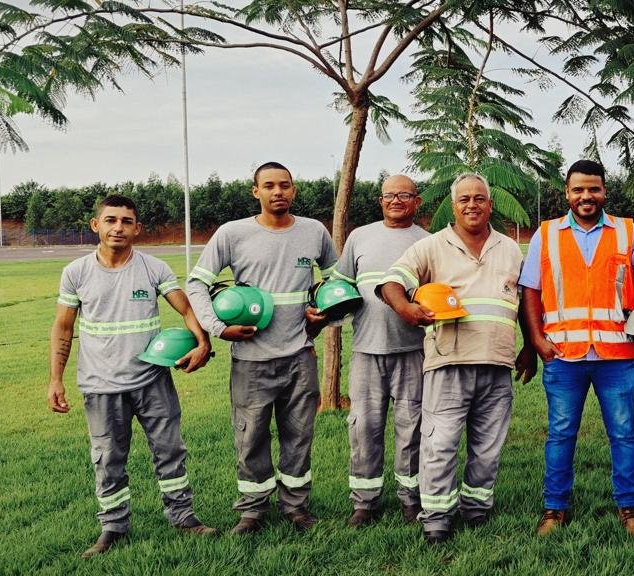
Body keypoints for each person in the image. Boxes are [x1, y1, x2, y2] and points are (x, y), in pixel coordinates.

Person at [520, 159, 634, 538]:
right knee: (561, 432)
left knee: (624, 433)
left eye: (594, 189)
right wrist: (535, 339)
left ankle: (628, 508)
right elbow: (530, 289)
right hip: (564, 355)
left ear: (604, 192)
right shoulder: (545, 234)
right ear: (566, 193)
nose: (587, 196)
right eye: (578, 189)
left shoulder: (626, 232)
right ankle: (555, 509)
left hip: (617, 356)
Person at [48, 194, 216, 558]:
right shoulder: (76, 273)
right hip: (100, 385)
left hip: (153, 380)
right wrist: (55, 380)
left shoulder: (153, 267)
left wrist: (202, 343)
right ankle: (113, 528)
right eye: (110, 220)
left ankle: (183, 518)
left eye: (126, 221)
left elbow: (185, 308)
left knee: (170, 451)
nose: (118, 228)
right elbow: (63, 328)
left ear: (137, 229)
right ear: (96, 225)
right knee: (108, 459)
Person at [185, 161, 338, 534]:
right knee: (250, 436)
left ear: (294, 190)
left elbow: (337, 284)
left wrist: (325, 318)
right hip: (250, 359)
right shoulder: (232, 233)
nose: (278, 192)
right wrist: (219, 329)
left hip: (299, 355)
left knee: (298, 435)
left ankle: (296, 507)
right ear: (256, 192)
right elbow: (196, 284)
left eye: (284, 185)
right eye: (269, 185)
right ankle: (252, 511)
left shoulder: (314, 232)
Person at [377, 173, 528, 545]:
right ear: (454, 205)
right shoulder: (432, 246)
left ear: (490, 205)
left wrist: (529, 348)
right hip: (449, 362)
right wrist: (406, 309)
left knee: (488, 444)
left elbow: (521, 301)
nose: (472, 205)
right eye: (464, 199)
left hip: (497, 362)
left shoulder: (509, 247)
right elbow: (390, 282)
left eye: (479, 198)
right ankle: (437, 518)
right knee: (440, 443)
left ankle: (477, 509)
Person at [332, 174, 430, 527]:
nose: (396, 201)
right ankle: (365, 502)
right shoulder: (360, 237)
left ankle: (410, 497)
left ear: (416, 201)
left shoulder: (428, 242)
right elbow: (340, 287)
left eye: (404, 195)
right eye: (389, 195)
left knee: (412, 427)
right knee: (363, 428)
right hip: (366, 351)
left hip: (413, 351)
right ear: (380, 200)